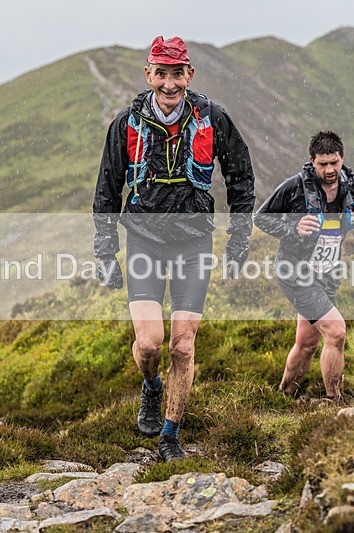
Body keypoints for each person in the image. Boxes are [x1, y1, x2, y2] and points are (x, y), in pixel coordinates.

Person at [93, 36, 256, 461]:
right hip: (144, 240)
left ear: (190, 75)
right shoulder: (126, 124)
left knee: (183, 346)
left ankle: (170, 435)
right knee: (149, 344)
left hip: (194, 241)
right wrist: (105, 251)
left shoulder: (213, 119)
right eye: (161, 74)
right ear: (148, 74)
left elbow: (240, 178)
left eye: (177, 74)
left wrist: (239, 239)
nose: (169, 83)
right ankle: (151, 385)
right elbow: (108, 189)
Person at [254, 131, 354, 400]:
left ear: (342, 158)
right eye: (322, 164)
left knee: (307, 343)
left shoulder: (349, 184)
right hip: (297, 272)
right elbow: (260, 218)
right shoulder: (295, 186)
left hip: (327, 273)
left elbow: (349, 219)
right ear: (312, 161)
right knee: (336, 331)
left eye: (334, 163)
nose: (329, 170)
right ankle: (334, 400)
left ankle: (284, 396)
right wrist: (293, 228)